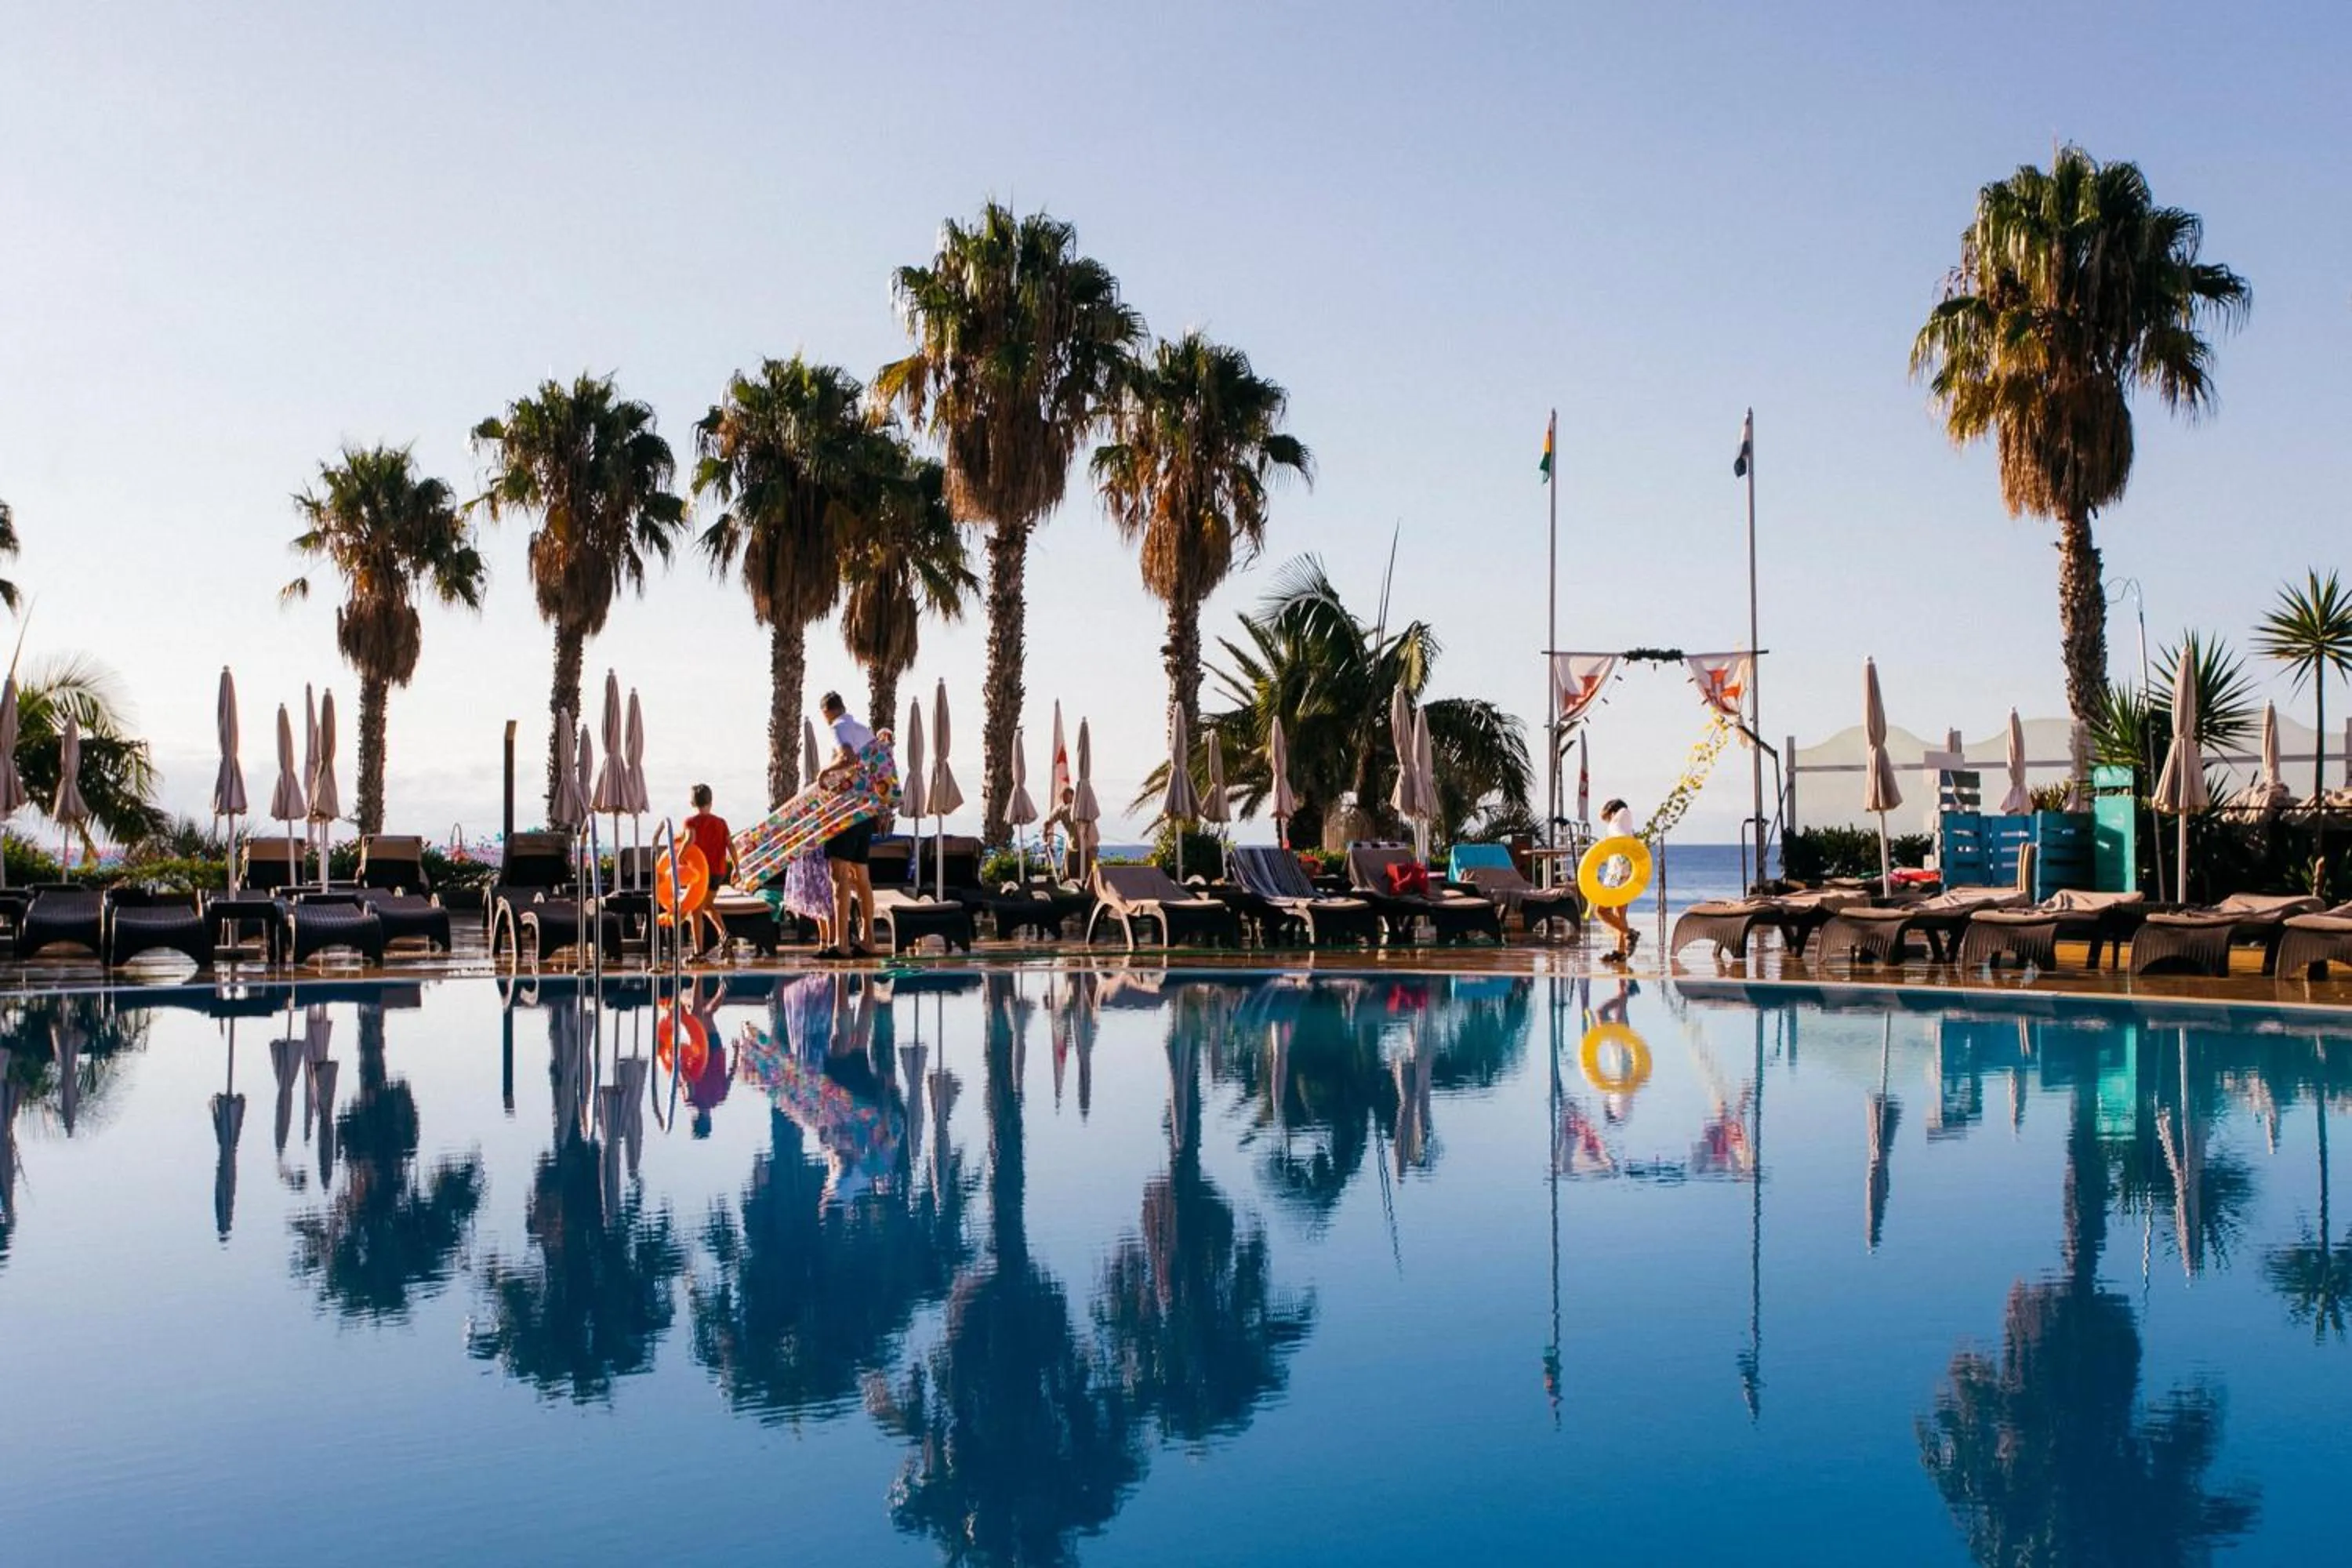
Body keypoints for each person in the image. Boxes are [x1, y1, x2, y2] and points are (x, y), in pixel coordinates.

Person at [817, 692, 880, 959]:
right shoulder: (864, 729)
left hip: (846, 811)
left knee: (838, 877)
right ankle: (868, 941)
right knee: (862, 878)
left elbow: (847, 757)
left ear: (826, 711)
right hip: (866, 810)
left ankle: (841, 944)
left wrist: (825, 772)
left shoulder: (838, 726)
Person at [682, 783, 733, 960]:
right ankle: (723, 933)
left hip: (701, 872)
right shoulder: (721, 823)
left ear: (692, 802)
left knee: (696, 911)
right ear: (711, 801)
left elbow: (690, 839)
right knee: (708, 906)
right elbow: (730, 845)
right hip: (719, 871)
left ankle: (698, 952)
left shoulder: (691, 822)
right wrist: (737, 868)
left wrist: (679, 857)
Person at [1594, 797, 1640, 964]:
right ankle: (1620, 952)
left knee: (1600, 911)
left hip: (1616, 874)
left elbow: (1621, 839)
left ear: (1612, 812)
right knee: (1619, 914)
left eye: (1607, 818)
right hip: (1625, 871)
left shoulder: (1618, 822)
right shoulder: (1627, 824)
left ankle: (1630, 934)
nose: (1608, 822)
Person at [1041, 784, 1098, 884]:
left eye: (1066, 796)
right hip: (1075, 844)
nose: (1064, 798)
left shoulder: (1080, 808)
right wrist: (1045, 832)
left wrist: (1046, 831)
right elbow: (1049, 822)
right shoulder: (1062, 809)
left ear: (1073, 796)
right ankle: (1073, 883)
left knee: (1089, 869)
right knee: (1073, 870)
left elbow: (1049, 822)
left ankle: (1089, 884)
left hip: (1088, 843)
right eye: (1063, 796)